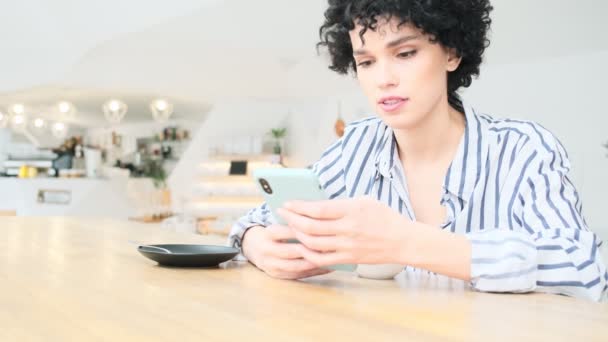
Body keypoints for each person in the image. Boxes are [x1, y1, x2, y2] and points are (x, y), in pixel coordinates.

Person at [228, 0, 607, 301]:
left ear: (452, 53)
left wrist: (408, 242)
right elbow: (253, 221)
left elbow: (585, 270)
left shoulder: (522, 149)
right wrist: (258, 244)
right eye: (367, 62)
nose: (383, 79)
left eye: (405, 53)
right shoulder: (354, 147)